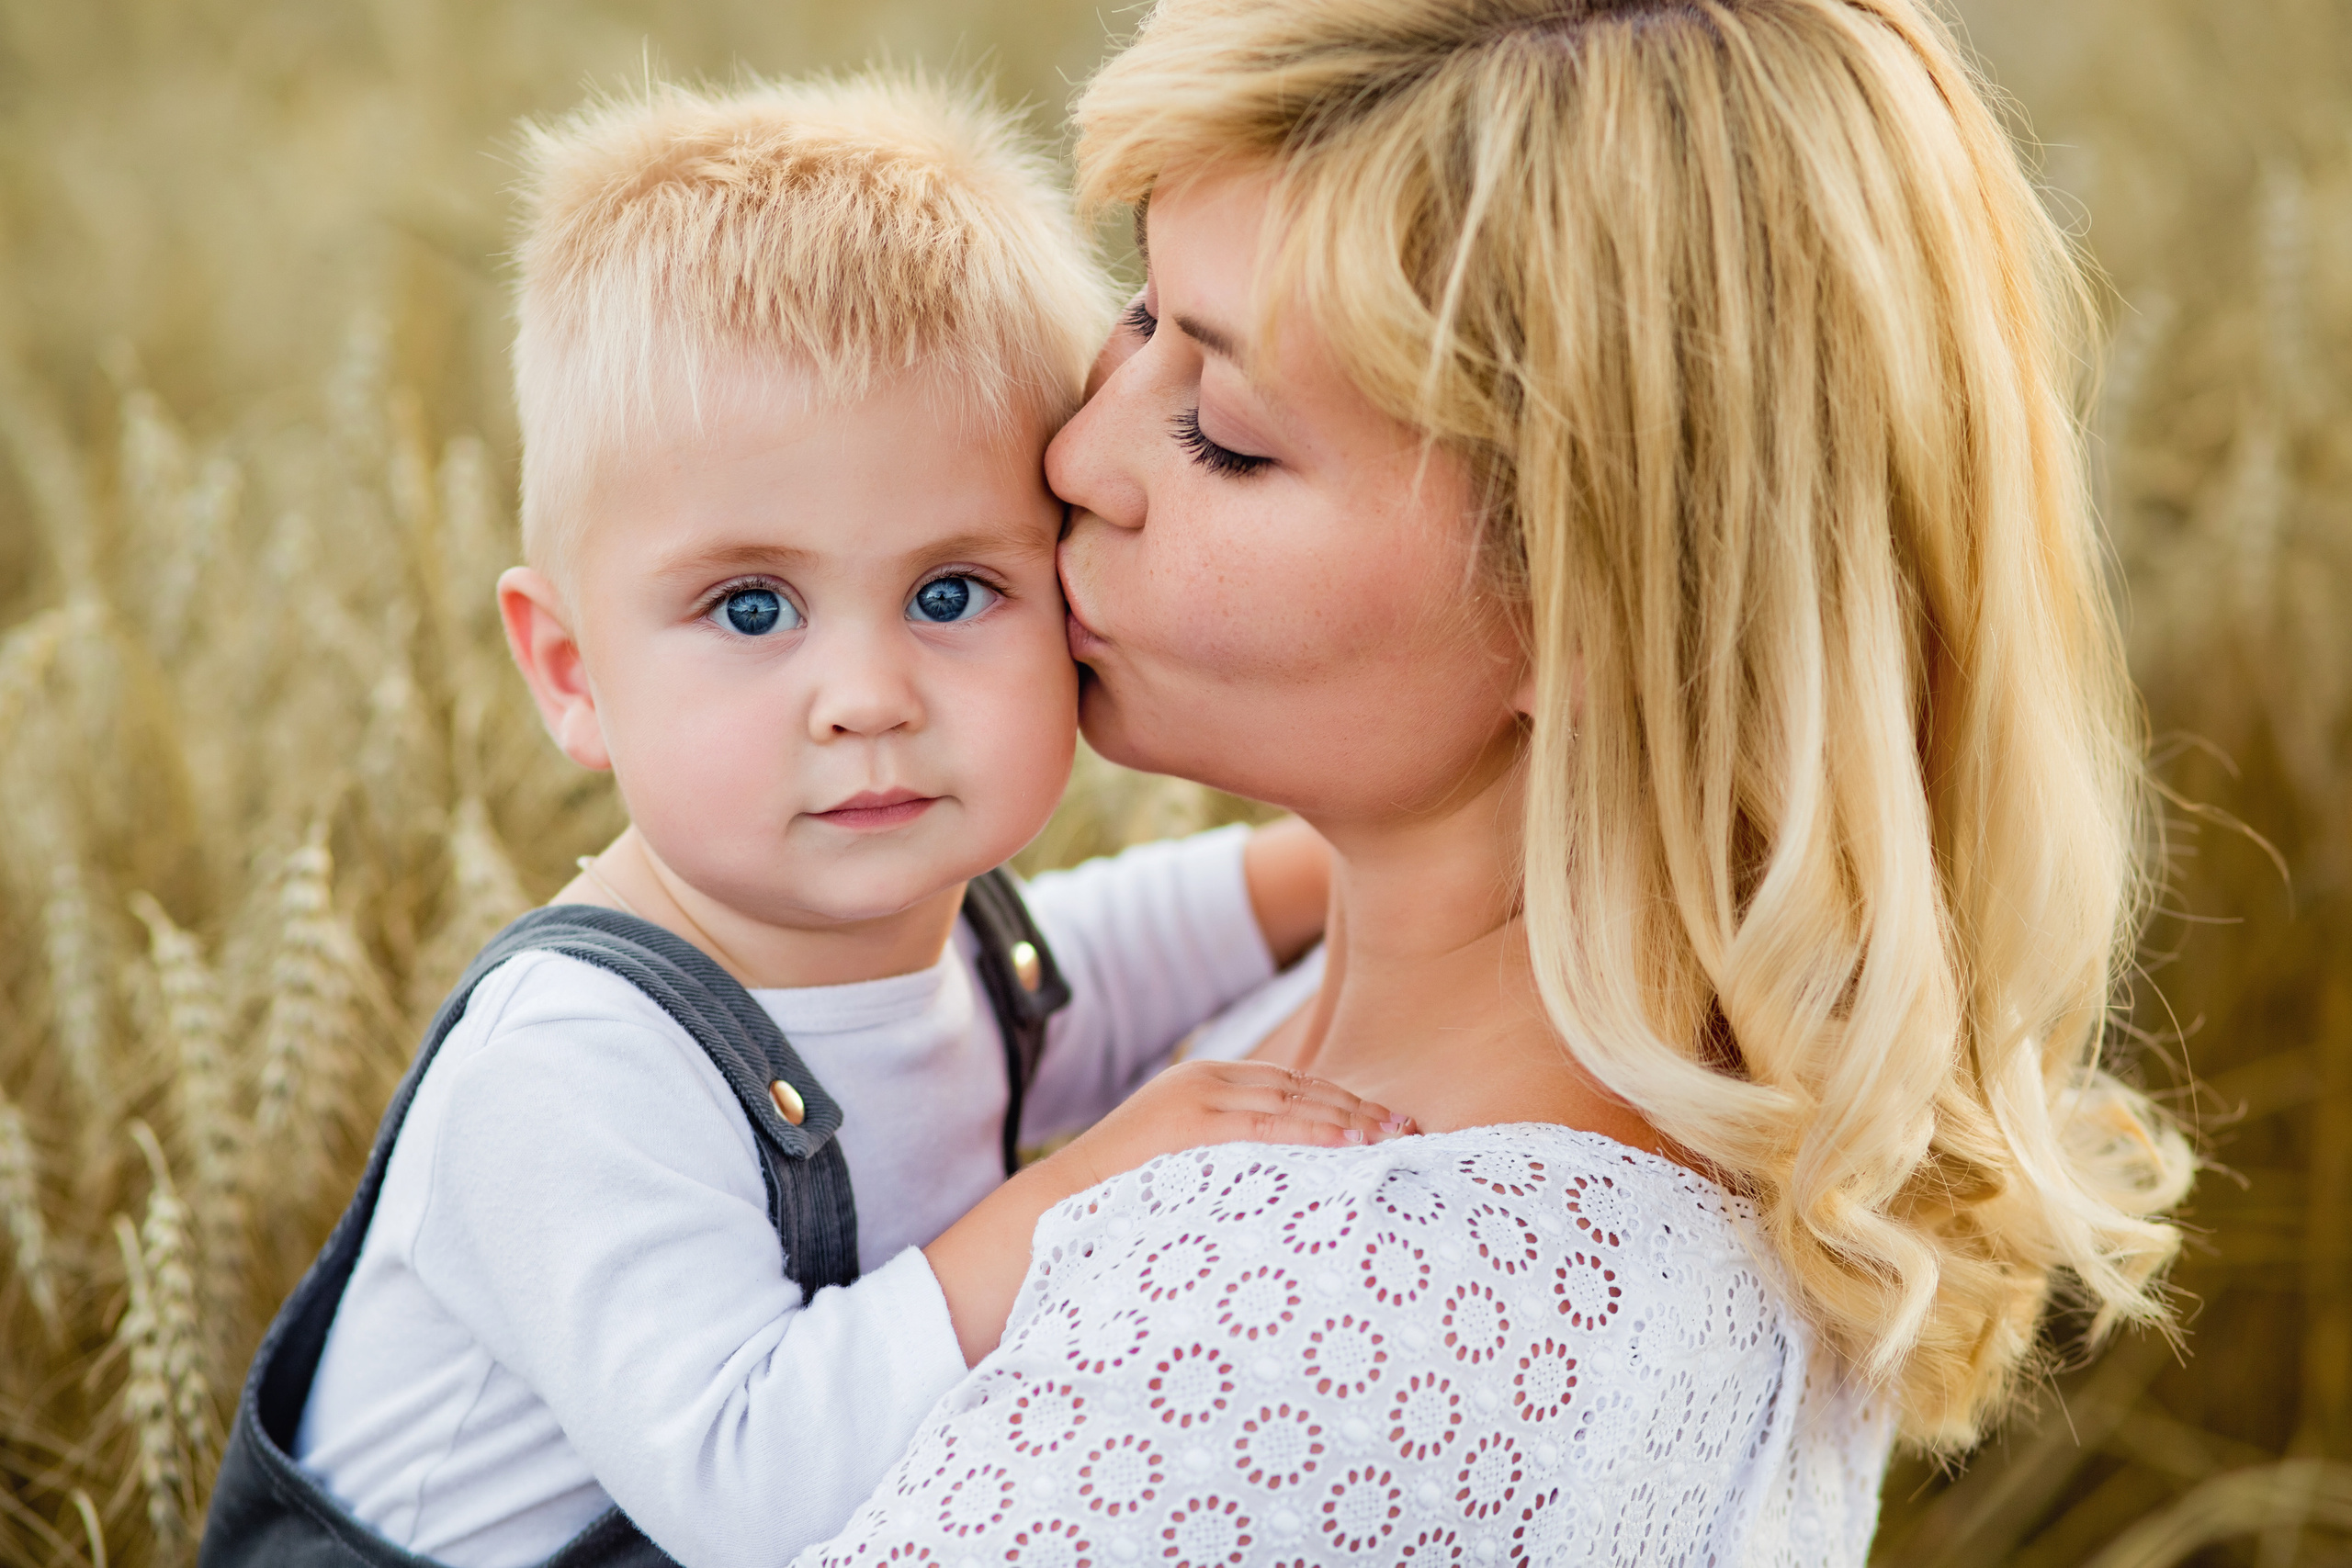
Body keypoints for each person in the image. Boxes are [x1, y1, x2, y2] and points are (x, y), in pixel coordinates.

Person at [796, 0, 2200, 1562]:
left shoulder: (1293, 1337)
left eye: (1226, 434)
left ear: (1609, 607)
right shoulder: (1721, 1125)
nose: (1078, 460)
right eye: (1142, 315)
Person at [198, 73, 1409, 1568]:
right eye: (752, 607)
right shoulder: (572, 1069)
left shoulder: (908, 930)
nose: (865, 696)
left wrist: (1325, 869)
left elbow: (1080, 971)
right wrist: (1085, 1198)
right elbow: (748, 1481)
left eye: (952, 593)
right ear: (573, 674)